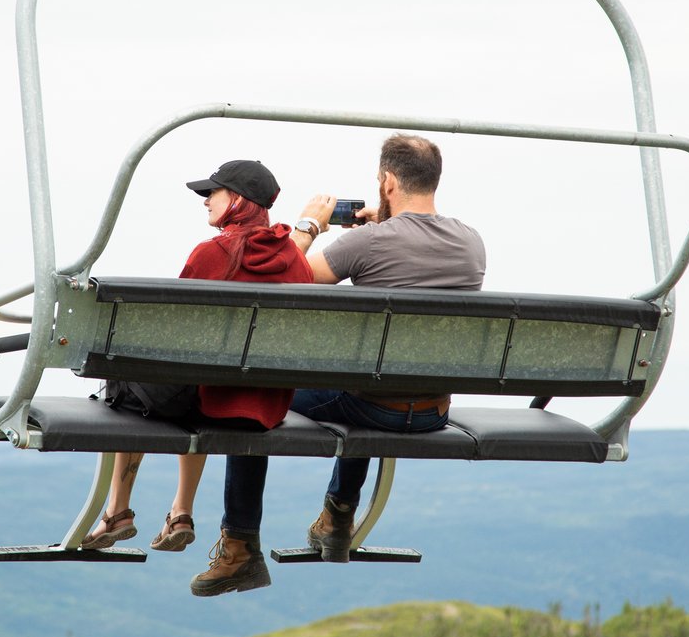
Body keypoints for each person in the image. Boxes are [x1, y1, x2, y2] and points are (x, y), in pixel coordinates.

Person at [81, 158, 312, 598]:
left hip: (211, 400)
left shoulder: (213, 253)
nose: (206, 200)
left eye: (213, 192)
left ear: (237, 200)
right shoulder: (294, 260)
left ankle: (117, 511)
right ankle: (180, 511)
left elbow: (176, 335)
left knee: (123, 380)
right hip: (263, 407)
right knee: (198, 384)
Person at [287, 133, 486, 562]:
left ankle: (241, 541)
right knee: (376, 374)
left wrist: (308, 226)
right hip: (433, 411)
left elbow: (288, 275)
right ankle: (337, 514)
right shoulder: (471, 241)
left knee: (262, 394)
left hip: (373, 406)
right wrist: (385, 222)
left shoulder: (368, 242)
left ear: (388, 181)